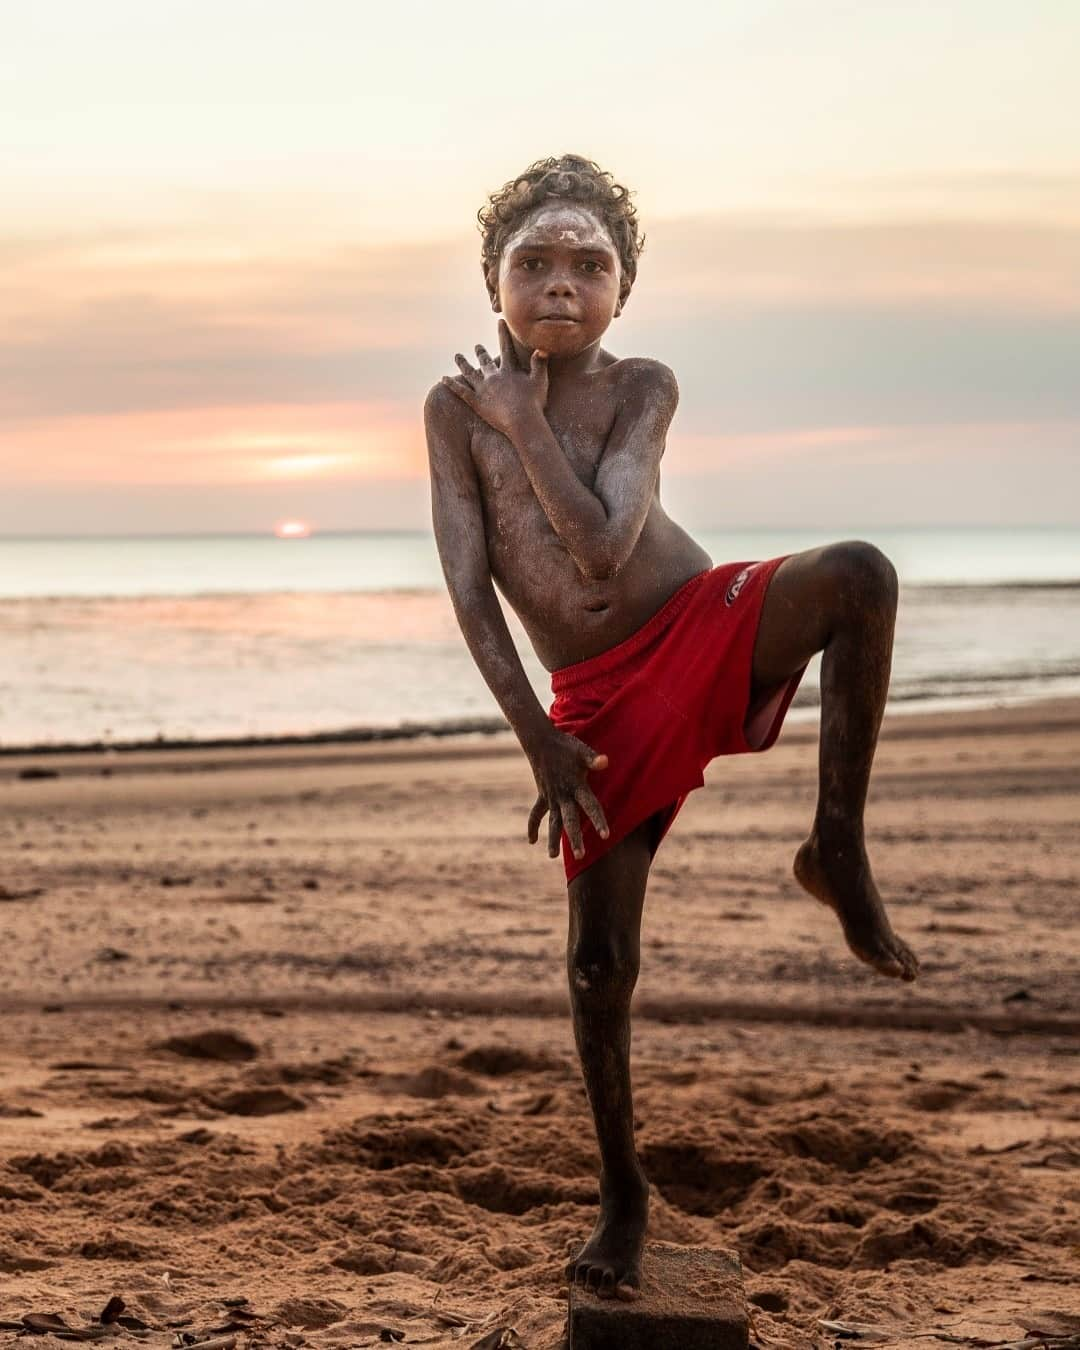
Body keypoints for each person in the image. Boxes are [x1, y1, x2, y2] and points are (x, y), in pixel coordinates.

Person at [424, 153, 919, 1302]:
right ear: (491, 282)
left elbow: (601, 544)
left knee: (860, 572)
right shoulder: (455, 412)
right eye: (533, 263)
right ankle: (624, 1196)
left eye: (588, 265)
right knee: (600, 965)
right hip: (595, 697)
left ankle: (834, 842)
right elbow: (466, 584)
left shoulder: (645, 384)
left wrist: (528, 421)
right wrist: (534, 736)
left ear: (624, 289)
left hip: (703, 622)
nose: (560, 285)